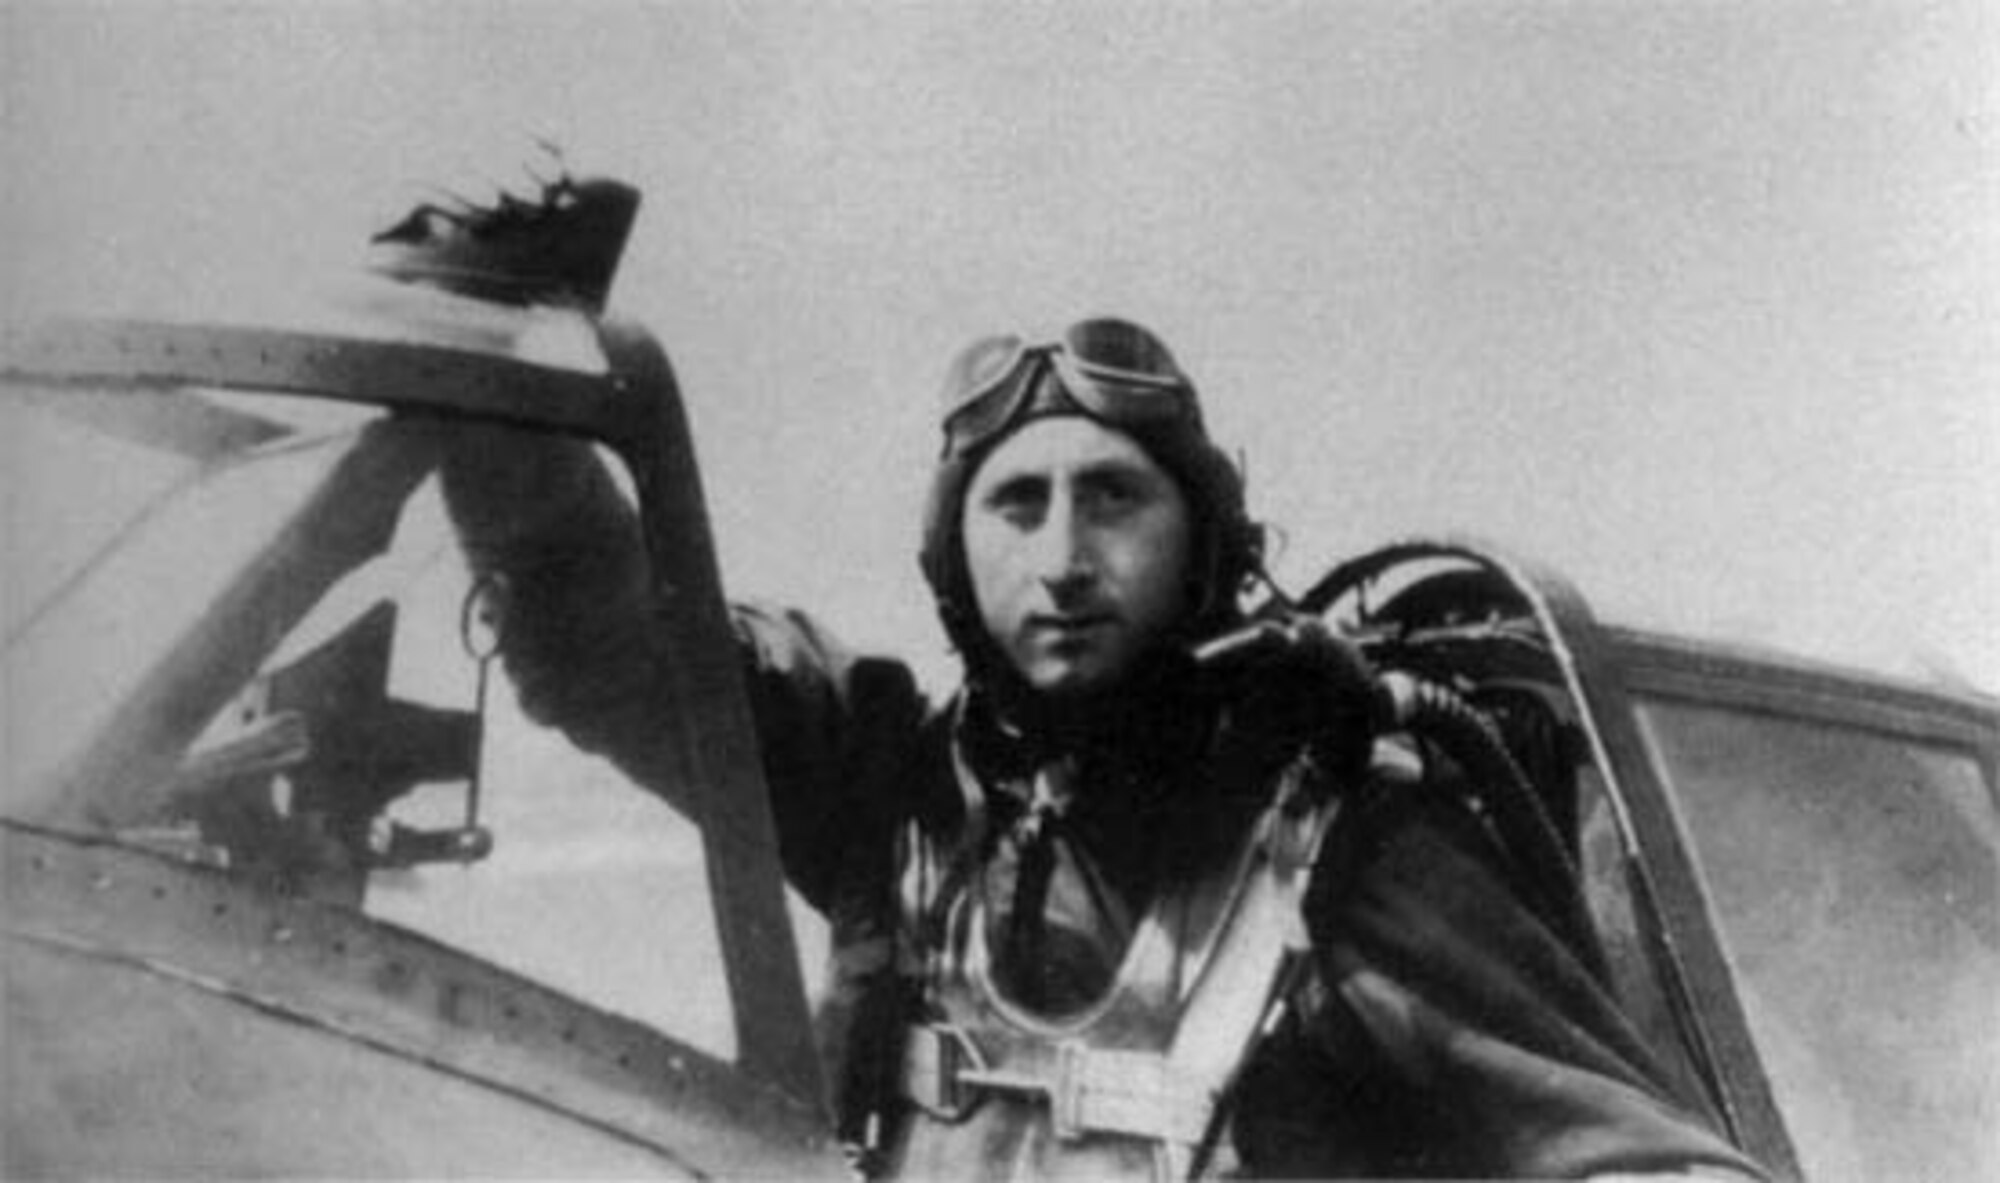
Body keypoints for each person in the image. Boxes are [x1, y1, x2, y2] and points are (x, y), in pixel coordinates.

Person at [440, 317, 1766, 1180]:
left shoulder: (1350, 844)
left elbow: (1632, 1158)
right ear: (958, 552)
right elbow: (608, 639)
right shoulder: (886, 783)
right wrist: (485, 355)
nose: (1065, 559)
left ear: (1199, 541)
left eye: (1115, 499)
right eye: (1018, 504)